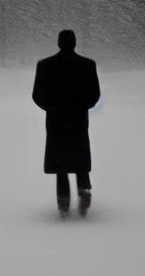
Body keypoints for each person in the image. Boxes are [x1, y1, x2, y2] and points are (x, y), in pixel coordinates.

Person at [32, 30, 101, 218]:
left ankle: (63, 202)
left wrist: (53, 108)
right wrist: (79, 107)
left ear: (59, 43)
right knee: (80, 161)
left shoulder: (45, 65)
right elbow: (94, 94)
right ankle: (84, 193)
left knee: (60, 164)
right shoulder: (87, 65)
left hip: (56, 122)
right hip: (78, 120)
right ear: (75, 43)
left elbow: (37, 95)